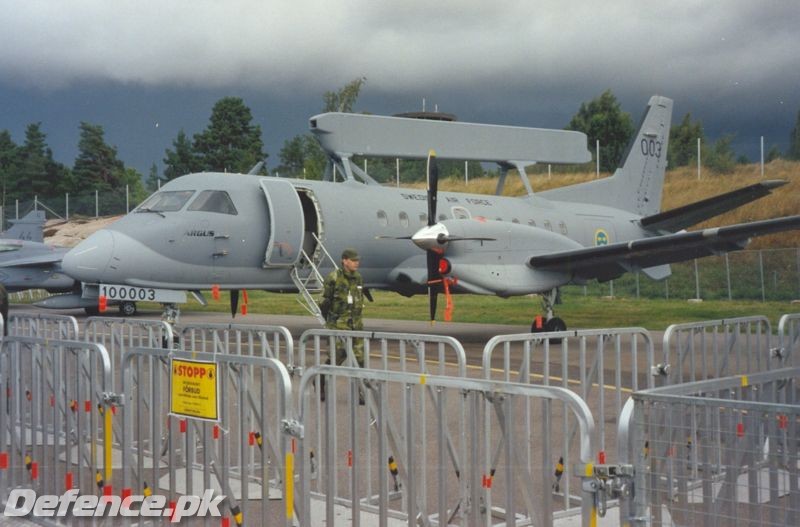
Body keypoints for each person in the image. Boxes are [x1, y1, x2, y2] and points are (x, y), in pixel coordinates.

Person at [319, 248, 365, 366]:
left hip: (356, 326)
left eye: (357, 260)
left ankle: (363, 383)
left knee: (360, 358)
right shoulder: (334, 277)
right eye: (353, 260)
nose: (356, 263)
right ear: (344, 261)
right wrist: (332, 321)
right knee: (337, 358)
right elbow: (323, 301)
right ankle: (322, 380)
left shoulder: (358, 278)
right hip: (339, 327)